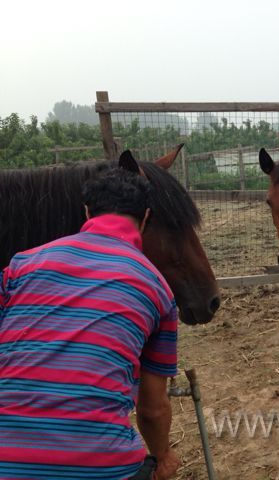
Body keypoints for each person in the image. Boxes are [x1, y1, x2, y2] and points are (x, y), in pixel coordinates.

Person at [0, 165, 180, 479]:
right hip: (101, 467)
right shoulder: (157, 288)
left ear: (87, 212)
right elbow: (152, 408)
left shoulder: (20, 265)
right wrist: (162, 455)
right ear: (147, 217)